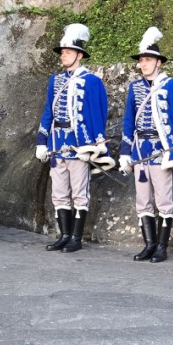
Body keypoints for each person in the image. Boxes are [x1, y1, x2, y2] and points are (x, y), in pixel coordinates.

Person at [118, 27, 173, 263]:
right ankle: (149, 245)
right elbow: (128, 121)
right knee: (143, 200)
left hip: (162, 151)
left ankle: (162, 246)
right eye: (142, 60)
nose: (143, 64)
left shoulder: (172, 86)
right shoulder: (134, 88)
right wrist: (125, 152)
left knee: (164, 199)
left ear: (158, 63)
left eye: (148, 60)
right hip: (140, 150)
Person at [35, 23, 112, 253]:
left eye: (67, 52)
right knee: (59, 193)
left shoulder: (92, 82)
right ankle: (64, 234)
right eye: (62, 52)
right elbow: (48, 111)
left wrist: (96, 145)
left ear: (79, 55)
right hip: (57, 145)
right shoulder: (55, 81)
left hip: (79, 145)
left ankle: (76, 238)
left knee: (79, 193)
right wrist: (41, 141)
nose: (63, 55)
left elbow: (99, 113)